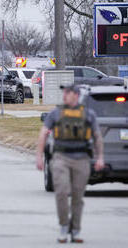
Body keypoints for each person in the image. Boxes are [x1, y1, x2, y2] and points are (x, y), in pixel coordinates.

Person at [36, 84, 104, 244]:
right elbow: (43, 133)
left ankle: (76, 229)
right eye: (64, 93)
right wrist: (39, 156)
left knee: (77, 196)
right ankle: (64, 226)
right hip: (61, 157)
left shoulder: (88, 114)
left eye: (67, 93)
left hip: (82, 159)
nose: (64, 95)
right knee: (61, 192)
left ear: (76, 95)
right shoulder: (56, 113)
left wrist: (100, 157)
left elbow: (97, 136)